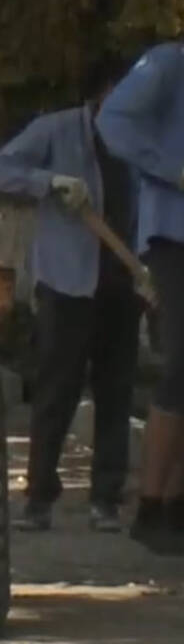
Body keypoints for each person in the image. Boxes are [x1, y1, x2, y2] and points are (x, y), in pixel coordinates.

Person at [0, 59, 142, 533]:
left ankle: (105, 501)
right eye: (121, 93)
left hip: (123, 285)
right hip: (68, 285)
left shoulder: (139, 142)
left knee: (117, 394)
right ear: (100, 94)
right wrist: (47, 182)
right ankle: (38, 499)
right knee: (56, 394)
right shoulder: (57, 131)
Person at [97, 39, 184, 554]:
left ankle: (174, 506)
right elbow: (114, 124)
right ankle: (150, 507)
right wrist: (172, 169)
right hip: (174, 237)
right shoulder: (170, 64)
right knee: (181, 366)